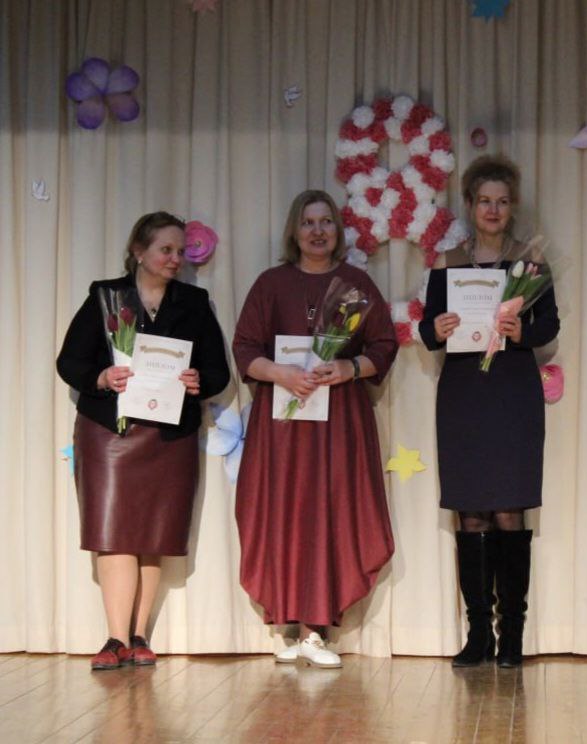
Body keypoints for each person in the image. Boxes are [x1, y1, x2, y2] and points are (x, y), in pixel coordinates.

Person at [57, 211, 230, 670]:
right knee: (113, 532)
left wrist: (198, 380)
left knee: (154, 534)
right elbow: (69, 361)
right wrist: (101, 377)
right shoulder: (106, 296)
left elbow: (218, 372)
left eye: (180, 251)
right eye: (165, 250)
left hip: (169, 436)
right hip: (109, 431)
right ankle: (114, 638)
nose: (175, 259)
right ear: (139, 251)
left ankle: (138, 636)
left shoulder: (194, 302)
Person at [232, 190, 397, 669]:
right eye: (308, 222)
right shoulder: (271, 284)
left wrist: (349, 368)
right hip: (283, 426)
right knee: (285, 509)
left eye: (326, 222)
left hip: (338, 423)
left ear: (337, 230)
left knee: (330, 509)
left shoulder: (356, 283)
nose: (318, 231)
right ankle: (291, 623)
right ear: (294, 230)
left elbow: (384, 346)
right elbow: (244, 348)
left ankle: (316, 631)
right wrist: (280, 373)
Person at [419, 155, 560, 669]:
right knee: (472, 511)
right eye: (484, 201)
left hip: (512, 394)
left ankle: (512, 634)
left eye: (501, 201)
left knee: (508, 509)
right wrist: (437, 328)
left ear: (512, 205)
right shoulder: (448, 262)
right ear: (470, 205)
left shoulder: (531, 261)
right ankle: (478, 634)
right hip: (464, 395)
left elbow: (549, 326)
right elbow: (427, 329)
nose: (493, 210)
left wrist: (522, 331)